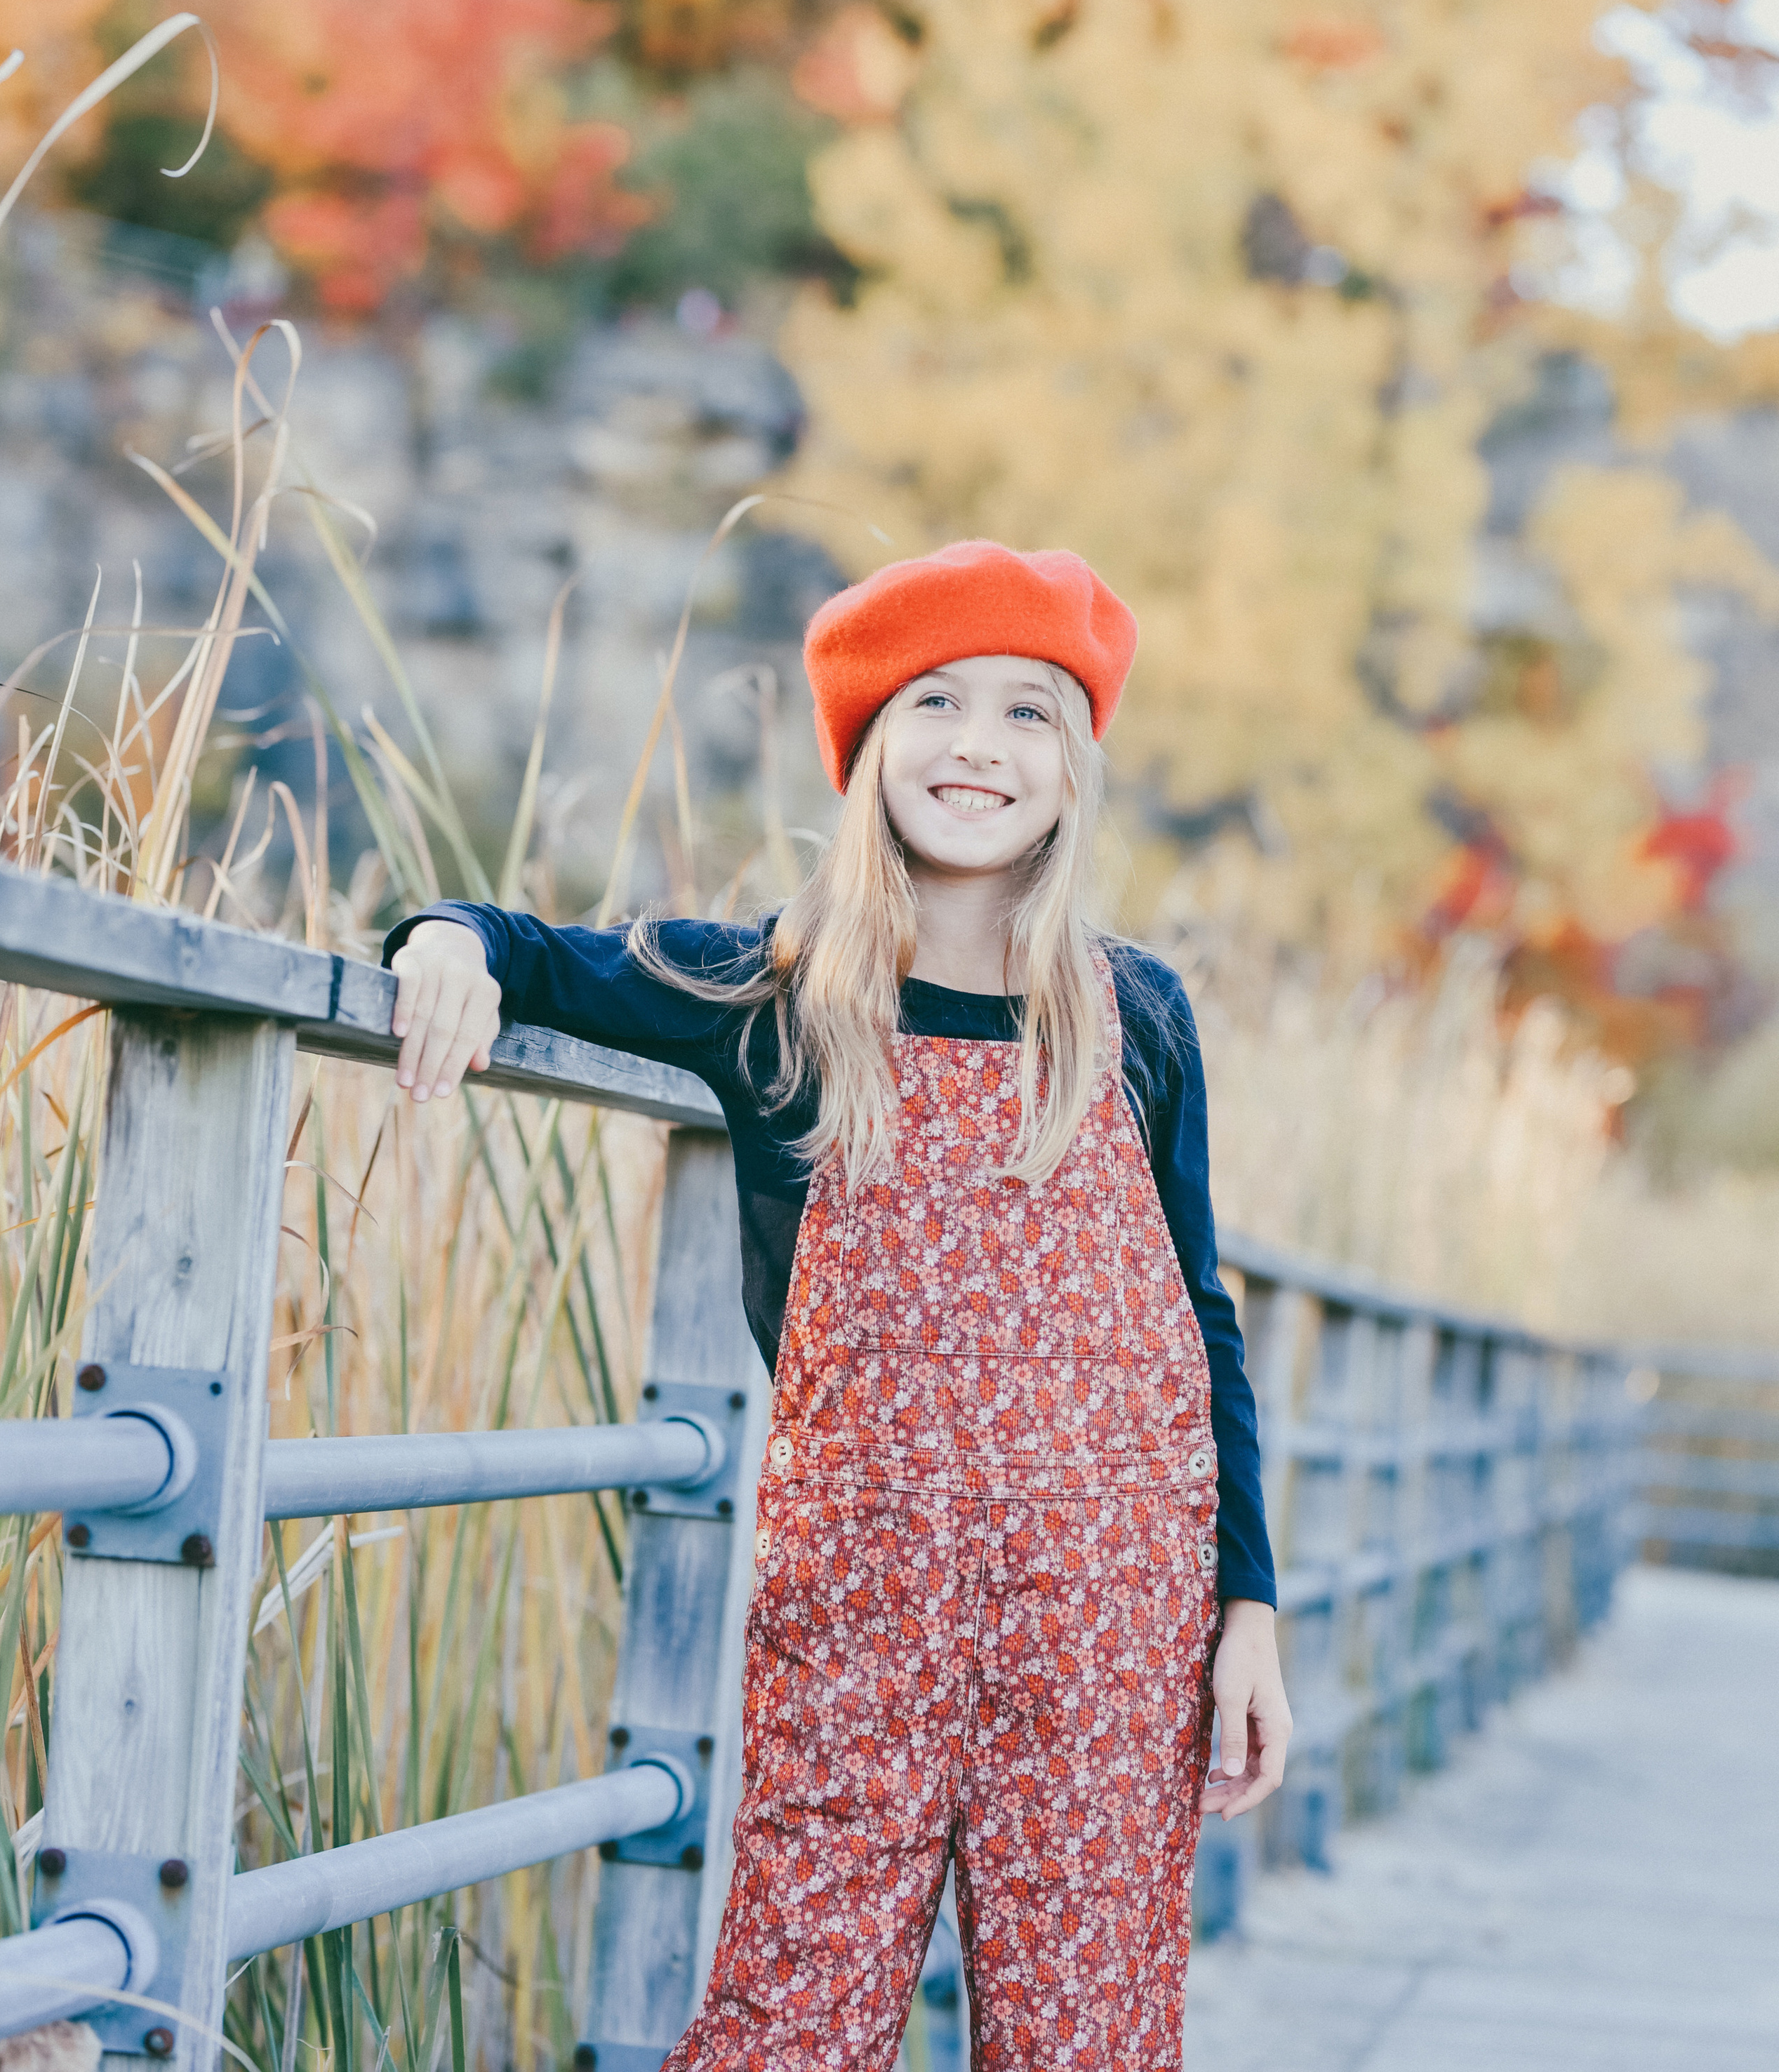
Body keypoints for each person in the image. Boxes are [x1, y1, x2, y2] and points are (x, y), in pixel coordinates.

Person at [385, 540, 1291, 2071]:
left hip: (1113, 1624)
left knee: (1087, 2035)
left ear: (1072, 768)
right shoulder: (772, 999)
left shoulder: (1132, 1013)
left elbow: (1199, 1320)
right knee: (788, 2020)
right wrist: (445, 943)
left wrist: (1246, 1612)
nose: (975, 748)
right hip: (860, 1621)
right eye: (933, 703)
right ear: (868, 744)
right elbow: (535, 950)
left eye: (1024, 713)